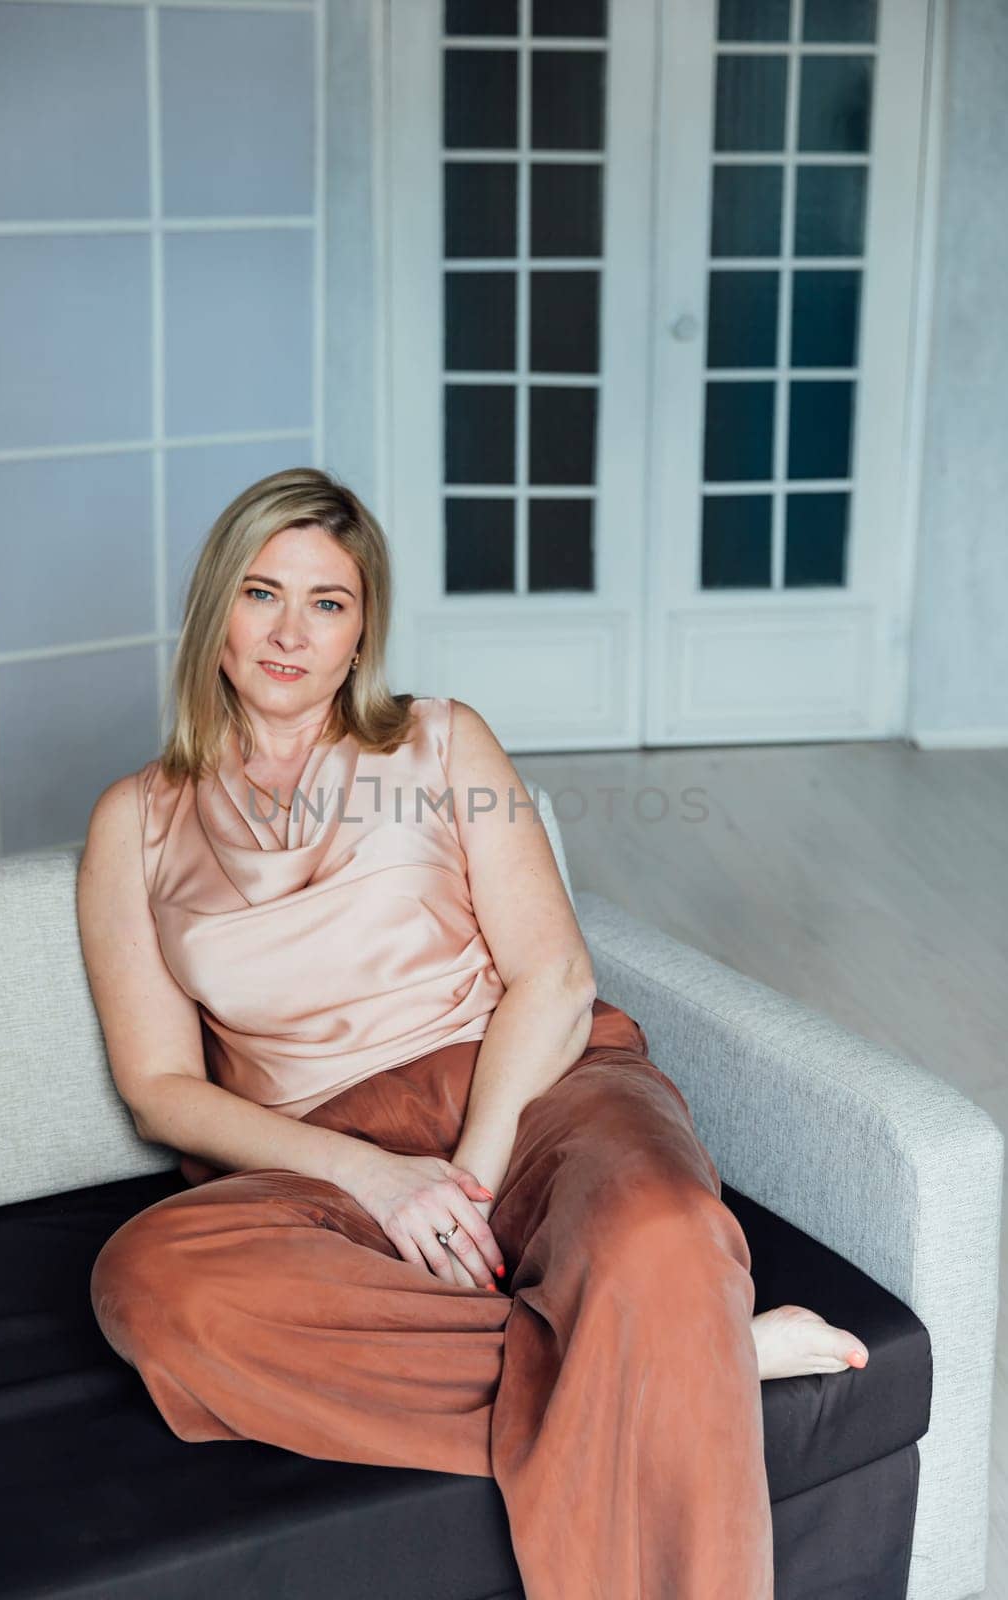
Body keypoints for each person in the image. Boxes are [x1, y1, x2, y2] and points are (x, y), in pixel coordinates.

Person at [78, 466, 868, 1599]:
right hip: (326, 1155)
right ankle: (688, 1359)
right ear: (216, 613)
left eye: (328, 602)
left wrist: (468, 1173)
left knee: (659, 1227)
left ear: (363, 633)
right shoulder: (135, 819)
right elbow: (158, 1086)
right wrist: (380, 1179)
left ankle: (661, 1332)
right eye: (261, 593)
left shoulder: (441, 742)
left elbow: (551, 973)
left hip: (537, 1090)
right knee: (155, 1285)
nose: (290, 632)